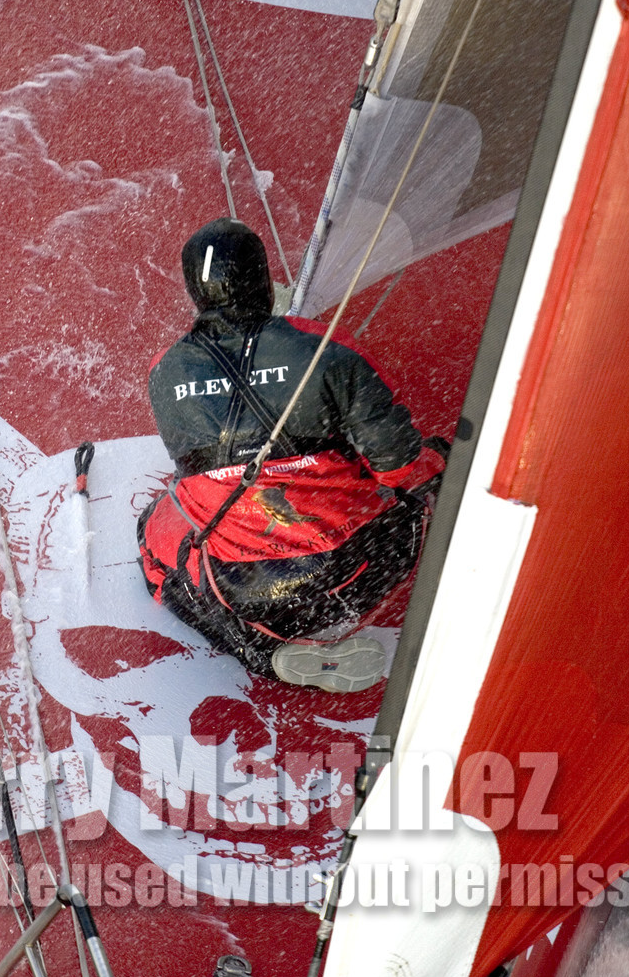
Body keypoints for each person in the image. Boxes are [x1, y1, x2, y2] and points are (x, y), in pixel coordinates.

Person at [137, 218, 446, 693]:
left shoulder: (164, 373)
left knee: (154, 539)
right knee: (428, 468)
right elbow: (400, 466)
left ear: (195, 294)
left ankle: (259, 652)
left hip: (252, 591)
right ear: (262, 280)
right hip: (364, 564)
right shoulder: (325, 349)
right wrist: (440, 460)